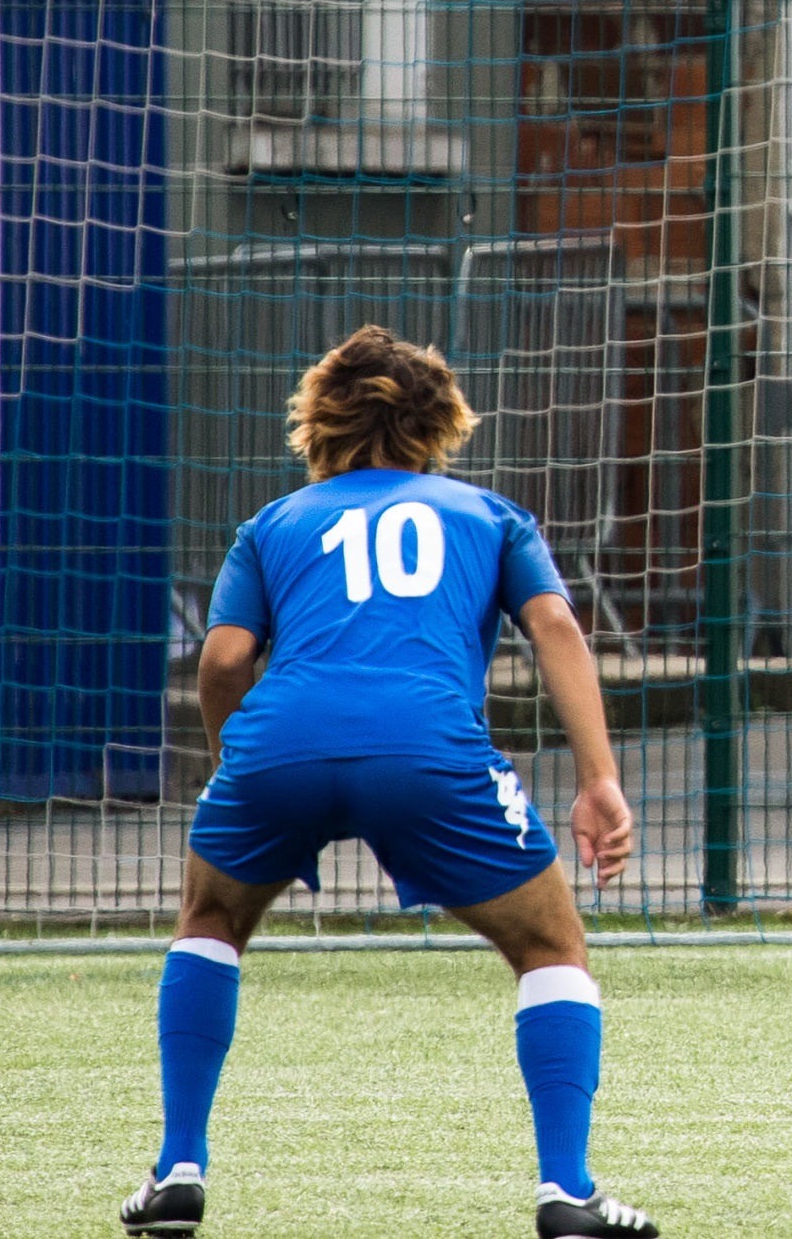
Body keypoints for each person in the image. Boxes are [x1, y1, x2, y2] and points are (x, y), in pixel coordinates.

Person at [120, 327, 658, 1236]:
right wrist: (598, 780)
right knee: (551, 949)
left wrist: (235, 763)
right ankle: (566, 1192)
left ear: (317, 419)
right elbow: (558, 630)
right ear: (440, 422)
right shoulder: (487, 514)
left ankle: (177, 1170)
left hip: (277, 745)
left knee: (209, 923)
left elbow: (222, 659)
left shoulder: (275, 523)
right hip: (428, 751)